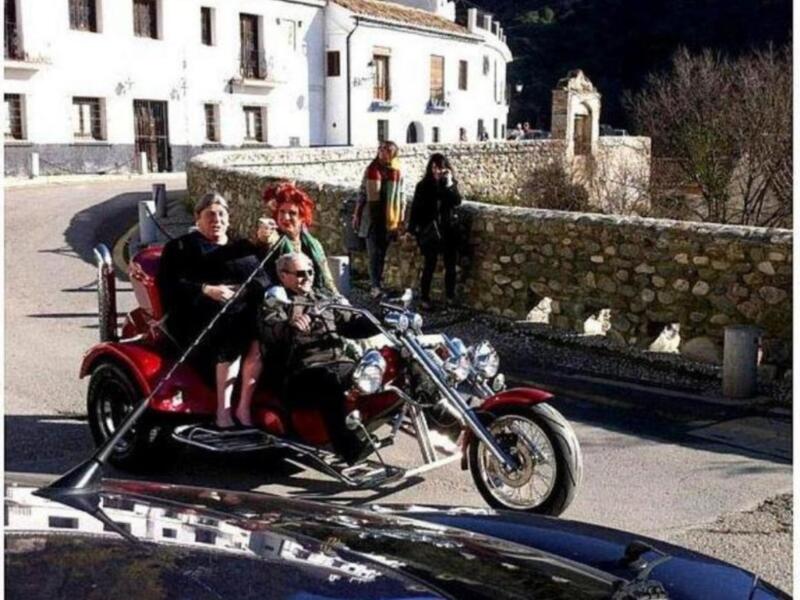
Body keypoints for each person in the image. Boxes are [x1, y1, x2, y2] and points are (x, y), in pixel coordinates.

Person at [158, 192, 269, 429]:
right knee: (233, 334)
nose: (216, 220)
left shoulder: (242, 248)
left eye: (221, 214)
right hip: (196, 316)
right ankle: (223, 411)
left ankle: (244, 407)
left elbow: (263, 280)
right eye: (210, 215)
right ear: (197, 218)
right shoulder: (180, 247)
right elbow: (170, 285)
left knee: (261, 337)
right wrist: (206, 289)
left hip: (241, 312)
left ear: (229, 219)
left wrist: (245, 290)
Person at [260, 252, 380, 464]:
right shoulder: (277, 302)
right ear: (283, 275)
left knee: (389, 363)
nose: (306, 277)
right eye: (299, 274)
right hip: (300, 374)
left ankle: (444, 420)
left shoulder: (324, 298)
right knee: (327, 380)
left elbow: (351, 325)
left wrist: (382, 320)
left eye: (310, 272)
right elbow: (271, 335)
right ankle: (348, 448)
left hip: (340, 363)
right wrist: (290, 326)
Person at [261, 181, 338, 295]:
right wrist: (265, 234)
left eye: (292, 213)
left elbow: (327, 279)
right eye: (282, 212)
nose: (286, 218)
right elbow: (267, 238)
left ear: (303, 217)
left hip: (315, 296)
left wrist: (337, 297)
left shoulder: (314, 244)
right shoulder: (276, 239)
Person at [407, 153, 462, 309]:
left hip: (448, 231)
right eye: (434, 168)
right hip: (429, 231)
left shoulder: (449, 184)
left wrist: (449, 183)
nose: (437, 171)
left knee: (450, 266)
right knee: (429, 265)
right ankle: (425, 298)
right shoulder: (423, 186)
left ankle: (450, 297)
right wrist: (413, 230)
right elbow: (416, 209)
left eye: (440, 168)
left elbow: (457, 201)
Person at [353, 141, 404, 299]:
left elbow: (401, 195)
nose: (382, 152)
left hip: (389, 219)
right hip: (372, 217)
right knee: (374, 253)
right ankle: (375, 286)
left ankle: (379, 283)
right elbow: (362, 193)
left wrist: (400, 217)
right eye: (380, 149)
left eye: (386, 150)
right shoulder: (371, 170)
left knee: (382, 253)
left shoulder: (396, 172)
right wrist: (357, 213)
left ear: (392, 153)